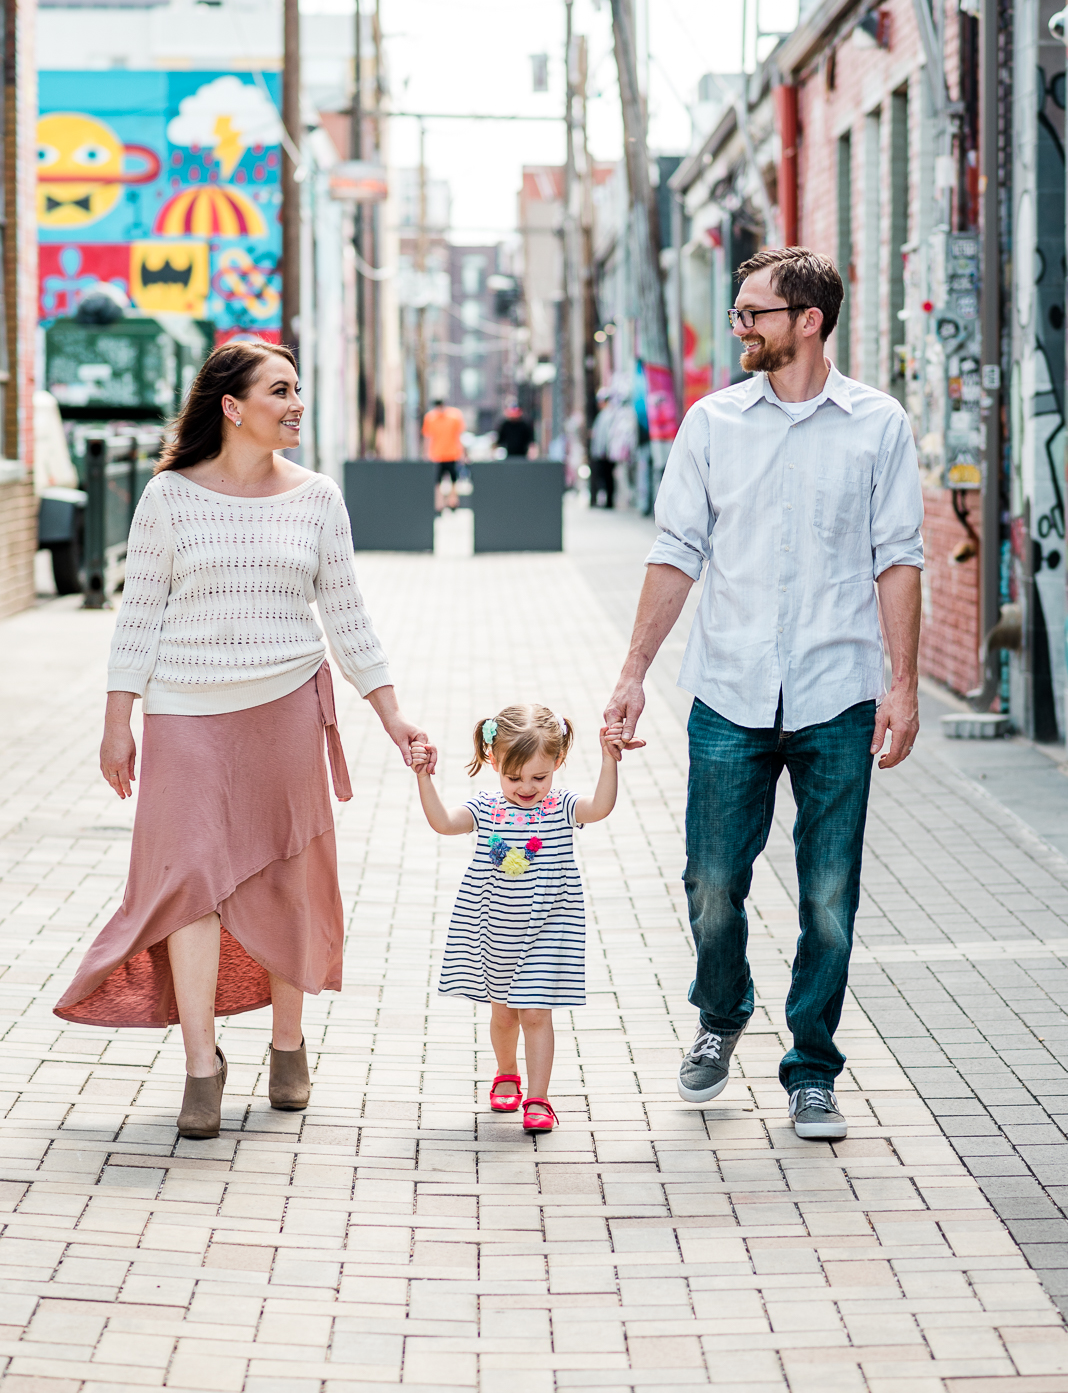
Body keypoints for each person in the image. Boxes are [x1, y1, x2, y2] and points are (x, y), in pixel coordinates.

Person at [55, 339, 429, 1140]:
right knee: (190, 881)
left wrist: (390, 711)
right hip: (184, 713)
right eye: (281, 390)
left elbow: (348, 613)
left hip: (288, 706)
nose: (297, 404)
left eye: (299, 389)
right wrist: (117, 719)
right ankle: (201, 1063)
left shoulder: (318, 497)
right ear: (231, 406)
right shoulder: (168, 496)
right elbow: (140, 613)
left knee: (286, 879)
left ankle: (287, 1044)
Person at [604, 247, 924, 1143]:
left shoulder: (877, 425)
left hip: (839, 692)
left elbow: (898, 558)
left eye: (755, 314)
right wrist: (631, 673)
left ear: (809, 322)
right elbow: (675, 554)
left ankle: (812, 1068)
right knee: (711, 883)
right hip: (730, 690)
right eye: (740, 313)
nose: (740, 327)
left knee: (828, 895)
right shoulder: (712, 425)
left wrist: (902, 687)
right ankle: (724, 1006)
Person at [411, 705, 639, 1132]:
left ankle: (538, 1097)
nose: (527, 787)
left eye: (539, 776)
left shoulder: (562, 806)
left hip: (549, 930)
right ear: (494, 763)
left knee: (535, 1012)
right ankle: (506, 1072)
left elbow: (601, 807)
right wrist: (423, 776)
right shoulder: (486, 808)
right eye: (514, 778)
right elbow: (443, 823)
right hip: (495, 930)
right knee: (504, 1014)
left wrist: (610, 758)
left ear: (557, 762)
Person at [422, 397, 466, 512]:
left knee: (453, 480)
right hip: (437, 455)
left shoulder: (454, 416)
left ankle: (453, 502)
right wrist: (426, 453)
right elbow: (428, 437)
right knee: (438, 481)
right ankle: (440, 504)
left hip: (452, 454)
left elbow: (458, 436)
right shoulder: (431, 418)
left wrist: (462, 453)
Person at [588, 389, 616, 509]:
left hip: (604, 453)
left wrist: (604, 450)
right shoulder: (603, 415)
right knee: (605, 477)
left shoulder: (608, 415)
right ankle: (605, 501)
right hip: (601, 452)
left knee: (606, 477)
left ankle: (608, 501)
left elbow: (606, 436)